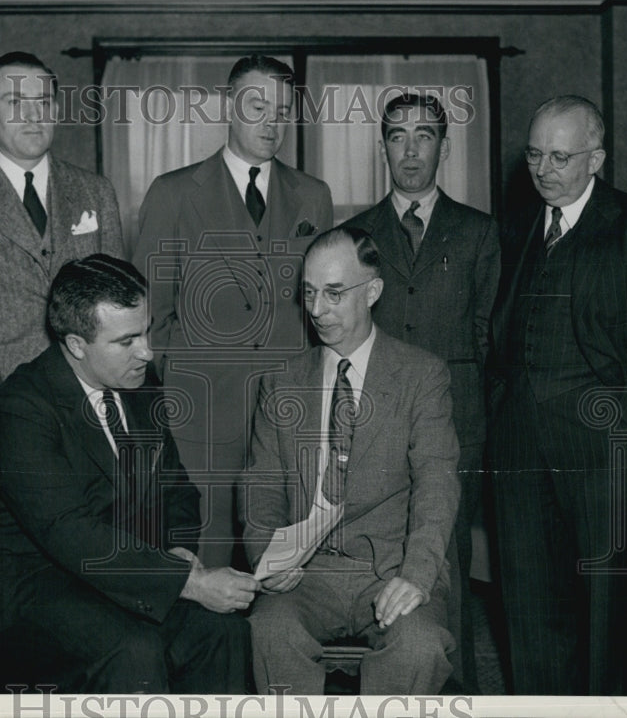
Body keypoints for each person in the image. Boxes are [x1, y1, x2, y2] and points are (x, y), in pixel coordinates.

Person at [0, 254, 254, 693]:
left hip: (115, 580)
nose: (147, 351)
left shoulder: (140, 382)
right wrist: (188, 583)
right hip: (27, 592)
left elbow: (177, 490)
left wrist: (177, 551)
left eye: (147, 331)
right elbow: (72, 534)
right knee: (131, 647)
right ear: (76, 344)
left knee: (221, 632)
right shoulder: (20, 411)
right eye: (127, 340)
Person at [488, 95, 627, 695]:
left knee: (603, 611)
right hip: (520, 446)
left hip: (603, 452)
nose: (544, 169)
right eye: (534, 155)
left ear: (595, 158)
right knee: (526, 604)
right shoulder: (518, 222)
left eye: (561, 156)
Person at [132, 55, 334, 566]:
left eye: (282, 110)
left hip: (285, 415)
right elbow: (150, 315)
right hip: (199, 413)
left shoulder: (313, 196)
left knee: (281, 558)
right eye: (257, 105)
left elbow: (322, 315)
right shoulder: (174, 193)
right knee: (204, 557)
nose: (271, 121)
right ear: (228, 107)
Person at [243, 226, 460, 695]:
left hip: (392, 568)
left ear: (374, 291)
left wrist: (416, 576)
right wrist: (267, 558)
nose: (317, 310)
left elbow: (436, 487)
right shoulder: (281, 383)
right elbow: (259, 485)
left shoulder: (421, 375)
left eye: (335, 294)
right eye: (310, 294)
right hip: (305, 577)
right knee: (269, 632)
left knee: (419, 645)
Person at [342, 92, 500, 692]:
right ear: (382, 146)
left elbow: (488, 338)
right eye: (398, 136)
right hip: (375, 422)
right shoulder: (355, 235)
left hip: (456, 426)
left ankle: (457, 692)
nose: (410, 150)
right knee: (377, 555)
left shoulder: (480, 233)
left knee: (447, 560)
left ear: (444, 146)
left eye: (424, 136)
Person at [0, 51, 124, 436]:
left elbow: (119, 313)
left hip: (90, 408)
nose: (33, 116)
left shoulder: (96, 192)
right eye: (15, 103)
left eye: (43, 103)